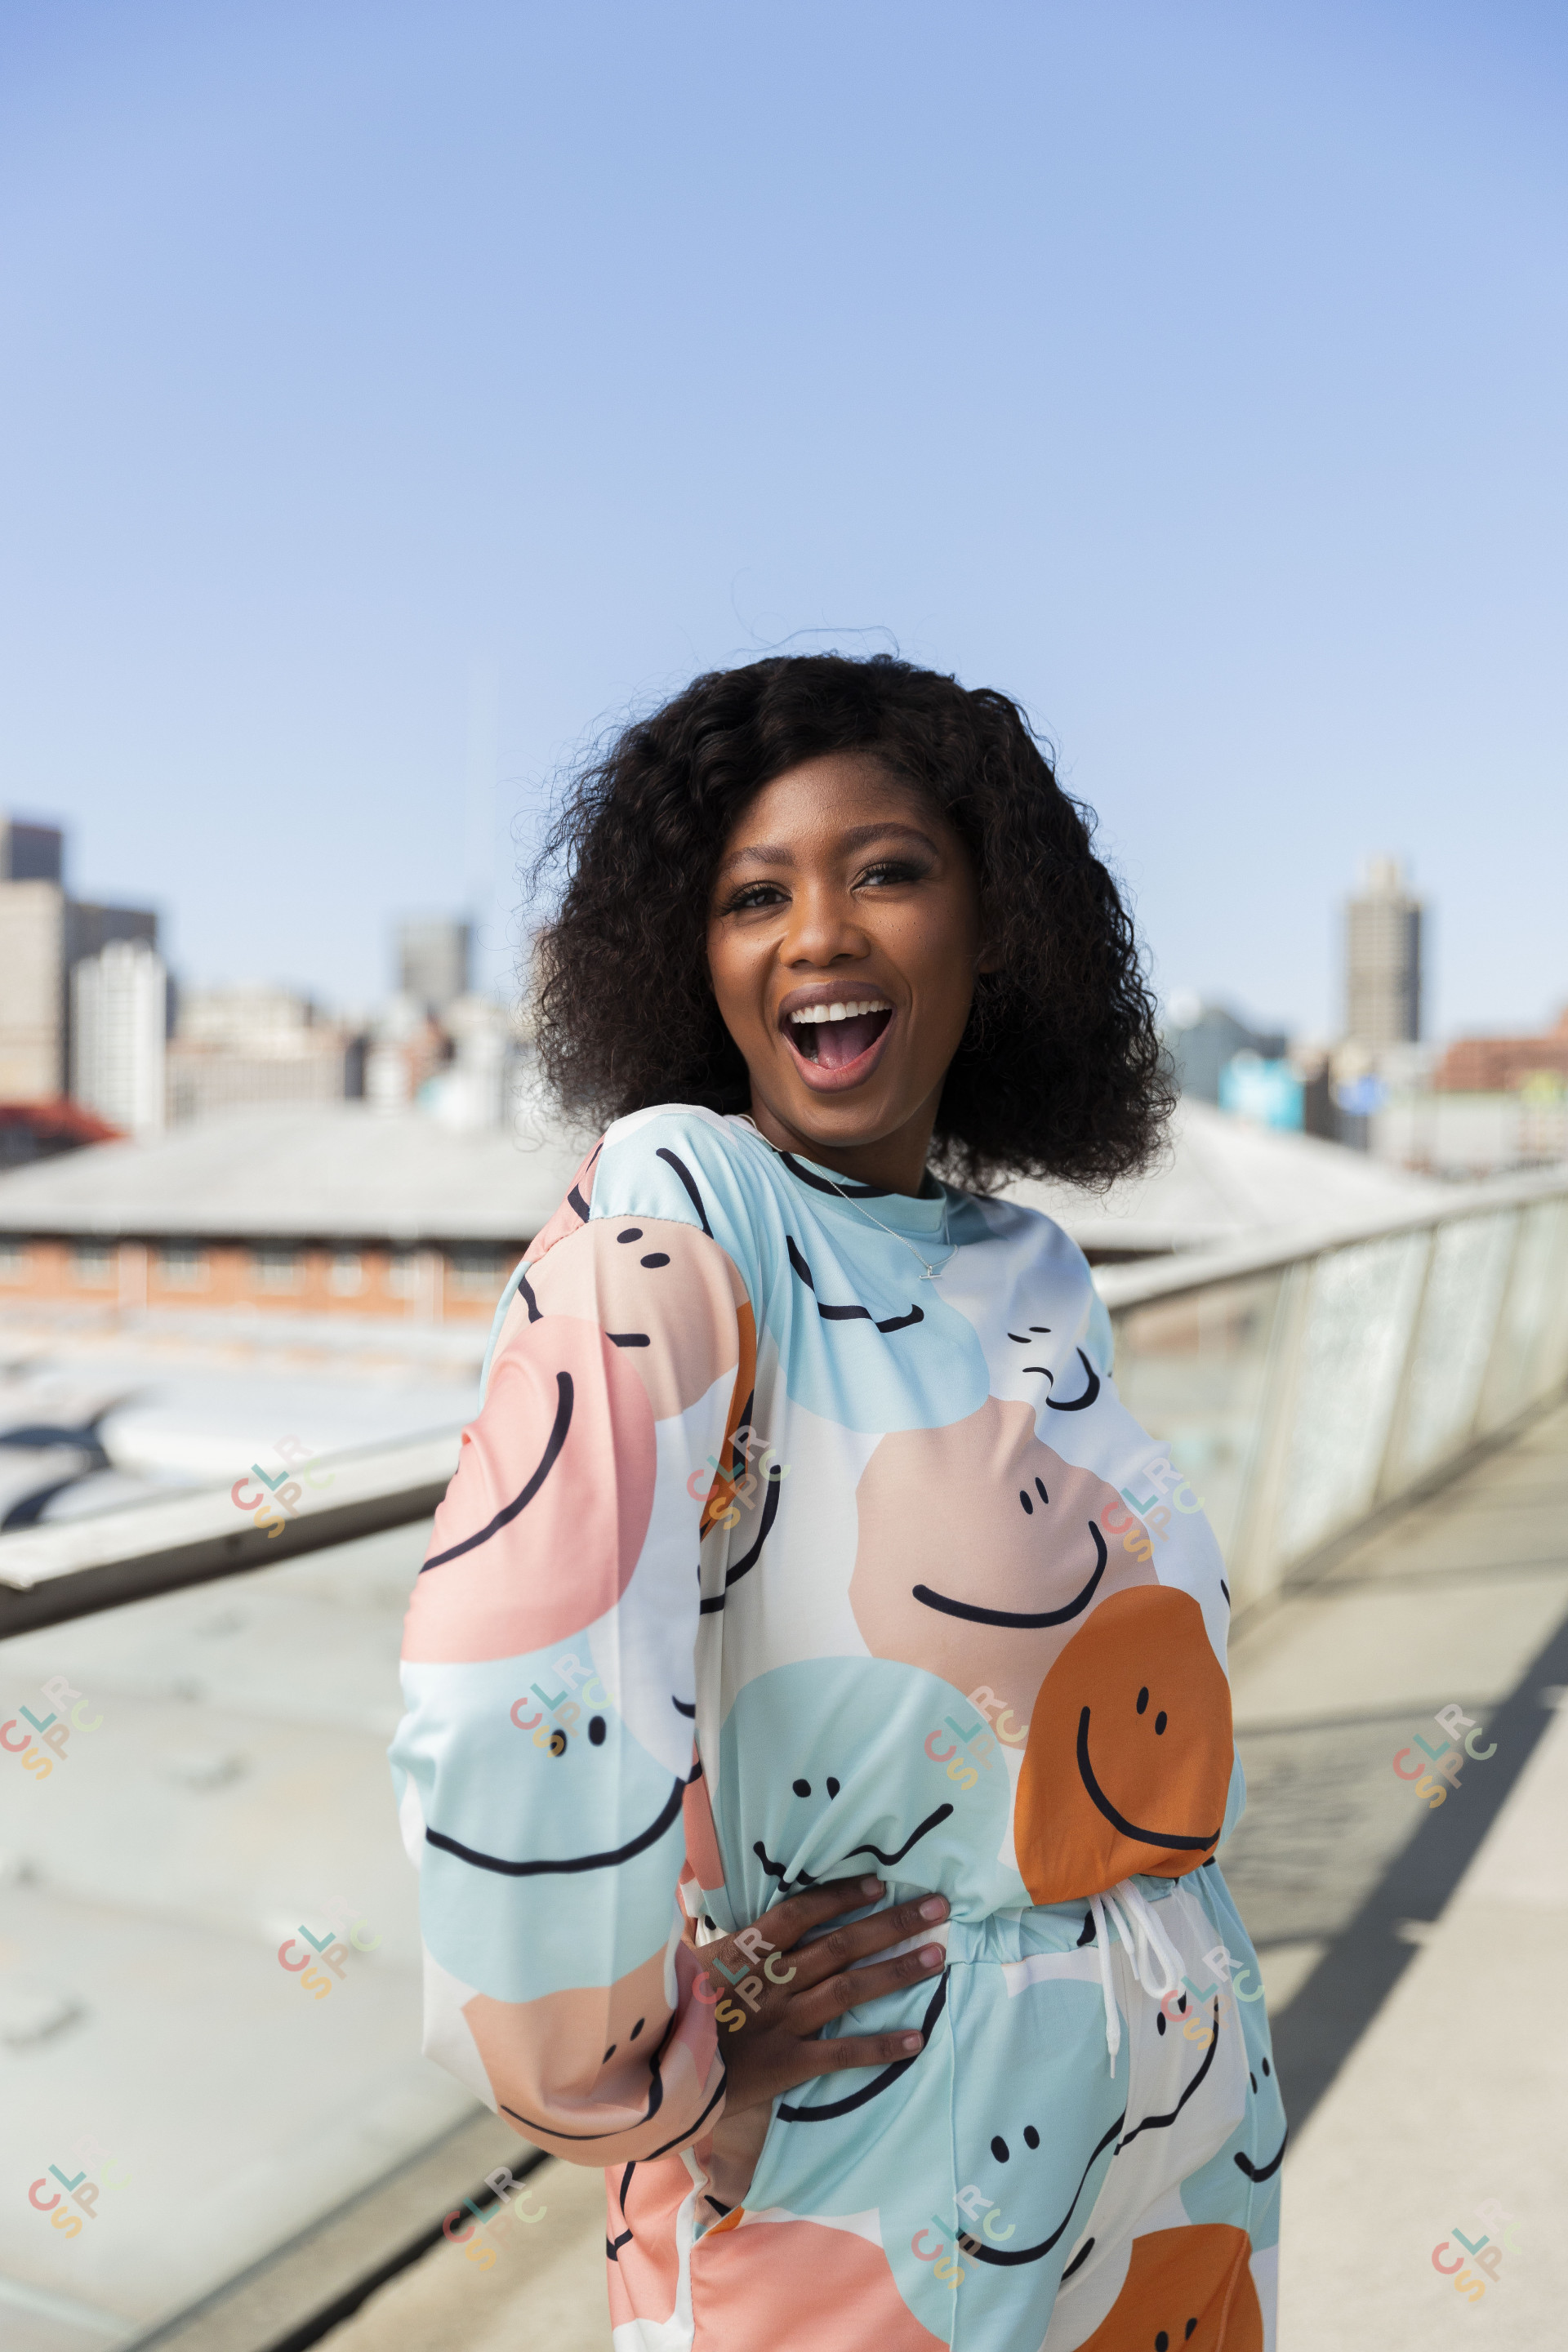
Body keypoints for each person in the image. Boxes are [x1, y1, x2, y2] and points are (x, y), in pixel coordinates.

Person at [390, 653, 1285, 2350]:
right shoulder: (691, 1194)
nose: (818, 933)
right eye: (753, 894)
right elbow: (522, 1658)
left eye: (885, 869)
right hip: (874, 2181)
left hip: (1164, 2151)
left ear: (996, 922)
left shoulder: (1029, 1263)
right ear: (693, 955)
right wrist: (634, 2068)